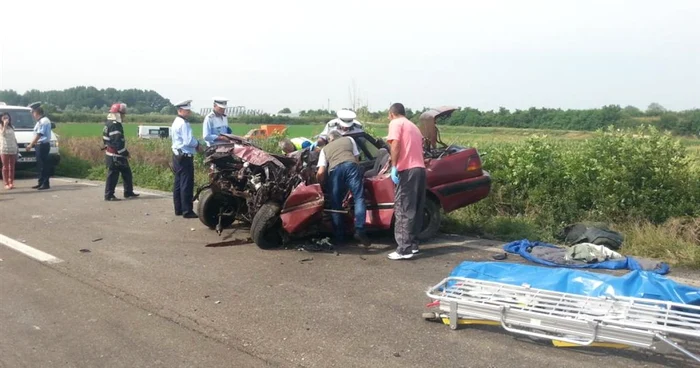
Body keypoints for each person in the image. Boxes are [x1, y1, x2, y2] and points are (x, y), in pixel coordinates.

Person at [316, 129, 371, 247]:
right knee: (359, 198)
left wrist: (319, 184)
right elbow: (357, 159)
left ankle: (340, 237)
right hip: (351, 166)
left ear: (330, 140)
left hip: (335, 171)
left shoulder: (325, 149)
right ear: (340, 136)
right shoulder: (349, 139)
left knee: (336, 204)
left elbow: (321, 172)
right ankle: (360, 229)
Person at [386, 102, 426, 260]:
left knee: (403, 209)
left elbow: (395, 144)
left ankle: (404, 249)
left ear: (391, 114)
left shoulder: (396, 123)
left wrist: (394, 166)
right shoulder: (413, 126)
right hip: (420, 170)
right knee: (415, 208)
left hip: (407, 170)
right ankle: (413, 245)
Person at [171, 100, 201, 218]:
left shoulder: (176, 121)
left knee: (178, 183)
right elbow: (188, 141)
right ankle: (187, 210)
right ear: (180, 110)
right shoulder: (184, 123)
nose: (189, 112)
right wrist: (198, 144)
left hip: (177, 155)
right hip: (184, 156)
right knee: (186, 184)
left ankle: (178, 208)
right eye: (187, 110)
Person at [103, 103, 139, 201]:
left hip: (112, 153)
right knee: (113, 175)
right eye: (123, 114)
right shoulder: (115, 125)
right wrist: (125, 153)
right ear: (118, 114)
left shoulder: (108, 123)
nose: (124, 116)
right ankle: (109, 195)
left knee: (126, 172)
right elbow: (117, 142)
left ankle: (128, 192)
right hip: (115, 155)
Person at [26, 102, 53, 190]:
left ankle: (45, 183)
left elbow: (39, 134)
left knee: (43, 165)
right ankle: (41, 182)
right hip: (39, 145)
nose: (32, 114)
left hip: (42, 145)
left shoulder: (44, 121)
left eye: (33, 112)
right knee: (40, 165)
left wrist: (30, 145)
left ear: (36, 112)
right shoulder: (40, 121)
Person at [0, 113, 19, 189]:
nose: (6, 119)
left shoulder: (12, 127)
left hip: (13, 148)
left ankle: (11, 182)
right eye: (4, 118)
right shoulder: (1, 126)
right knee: (5, 167)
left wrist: (17, 148)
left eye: (7, 118)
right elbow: (2, 134)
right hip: (4, 149)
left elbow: (14, 138)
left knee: (12, 166)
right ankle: (6, 183)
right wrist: (4, 125)